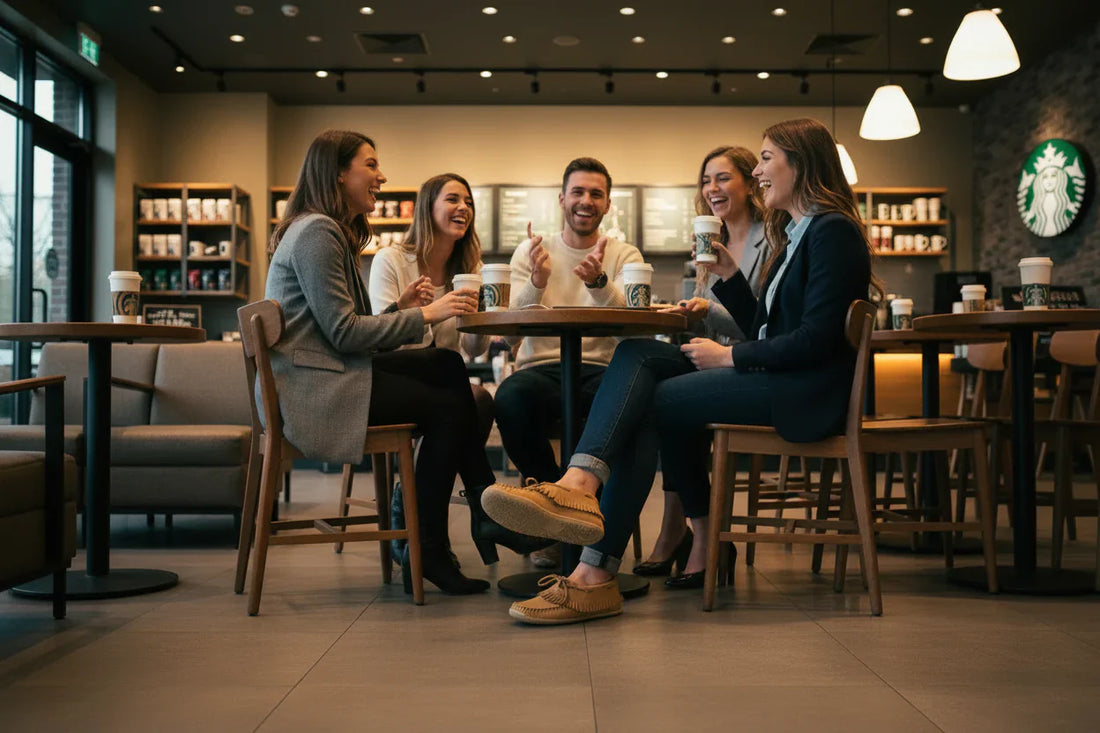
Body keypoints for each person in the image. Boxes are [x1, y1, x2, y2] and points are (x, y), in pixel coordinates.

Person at [482, 118, 882, 624]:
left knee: (649, 401)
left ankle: (592, 567)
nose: (759, 171)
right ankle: (581, 490)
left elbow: (815, 340)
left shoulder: (832, 231)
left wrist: (729, 357)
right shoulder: (799, 234)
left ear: (800, 163)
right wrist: (730, 278)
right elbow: (767, 327)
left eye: (765, 158)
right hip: (782, 378)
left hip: (803, 392)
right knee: (638, 353)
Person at [264, 129, 492, 595]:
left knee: (447, 366)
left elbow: (345, 329)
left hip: (325, 377)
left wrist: (397, 311)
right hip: (316, 393)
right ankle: (434, 545)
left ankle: (478, 513)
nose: (381, 177)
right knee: (451, 406)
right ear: (337, 172)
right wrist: (424, 314)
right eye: (370, 165)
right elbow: (345, 334)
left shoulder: (319, 230)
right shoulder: (317, 233)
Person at [367, 172, 549, 564]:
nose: (463, 207)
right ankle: (483, 510)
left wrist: (478, 318)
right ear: (427, 207)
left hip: (444, 389)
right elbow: (380, 339)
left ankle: (418, 512)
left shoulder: (470, 269)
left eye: (468, 202)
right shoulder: (391, 259)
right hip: (391, 381)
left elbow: (472, 350)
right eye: (452, 199)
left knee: (478, 400)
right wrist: (420, 311)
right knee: (458, 380)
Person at [493, 157, 643, 563]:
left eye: (596, 194)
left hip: (604, 371)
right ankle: (554, 510)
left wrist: (599, 283)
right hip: (539, 370)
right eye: (578, 191)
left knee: (630, 411)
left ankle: (584, 524)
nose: (586, 200)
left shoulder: (624, 254)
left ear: (608, 204)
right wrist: (536, 284)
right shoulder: (531, 251)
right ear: (562, 199)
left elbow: (632, 331)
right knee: (509, 400)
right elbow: (510, 334)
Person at [634, 145, 769, 578]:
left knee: (669, 398)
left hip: (753, 365)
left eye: (723, 178)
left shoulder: (774, 240)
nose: (712, 188)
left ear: (750, 183)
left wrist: (709, 310)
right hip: (715, 359)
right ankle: (683, 529)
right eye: (706, 180)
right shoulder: (711, 240)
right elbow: (710, 314)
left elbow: (763, 324)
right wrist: (689, 311)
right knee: (651, 374)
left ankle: (689, 532)